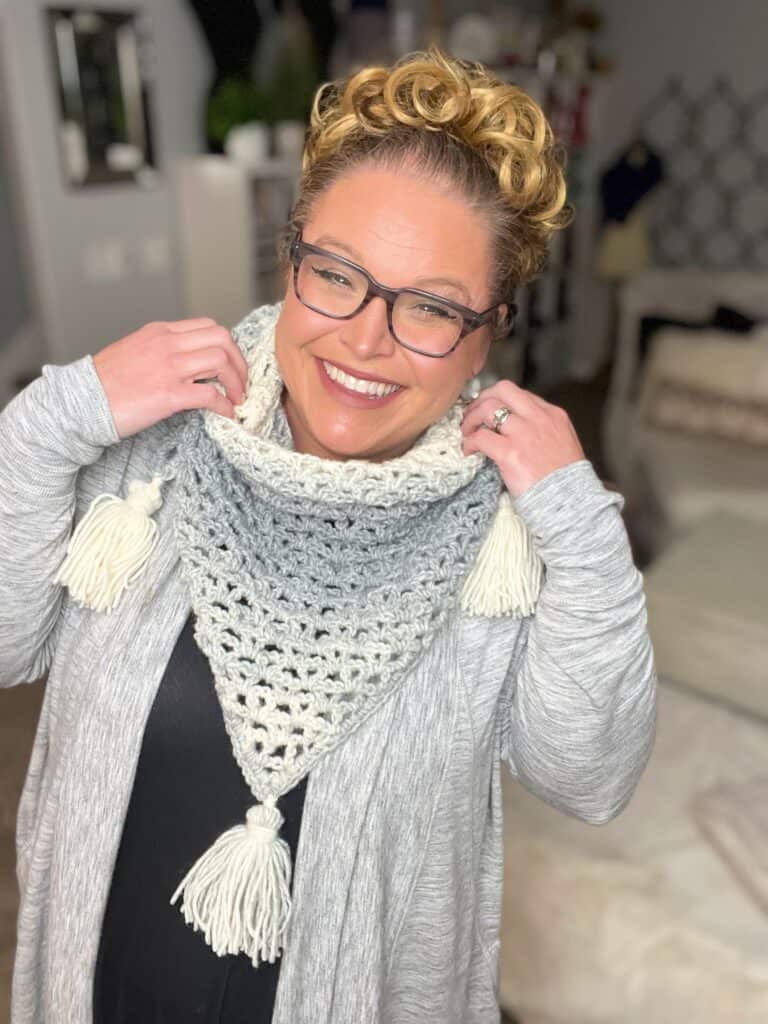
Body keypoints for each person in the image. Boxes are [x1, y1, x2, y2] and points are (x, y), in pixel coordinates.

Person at [0, 48, 657, 1024]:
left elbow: (592, 775)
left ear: (489, 333)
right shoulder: (152, 455)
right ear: (293, 258)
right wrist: (57, 411)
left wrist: (582, 521)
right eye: (338, 275)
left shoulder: (508, 545)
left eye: (432, 306)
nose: (364, 337)